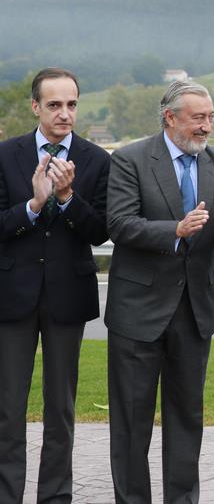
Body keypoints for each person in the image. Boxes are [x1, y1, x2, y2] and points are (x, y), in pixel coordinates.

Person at [104, 80, 214, 503]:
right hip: (138, 314)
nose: (207, 127)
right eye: (198, 118)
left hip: (195, 310)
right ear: (171, 118)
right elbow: (120, 224)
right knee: (132, 424)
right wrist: (175, 230)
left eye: (211, 117)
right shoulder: (131, 159)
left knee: (187, 419)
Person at [0, 67, 110, 503]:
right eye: (54, 105)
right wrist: (33, 204)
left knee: (60, 411)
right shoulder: (5, 155)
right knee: (8, 410)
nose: (65, 114)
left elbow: (100, 231)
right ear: (35, 107)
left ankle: (55, 497)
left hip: (68, 296)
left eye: (72, 105)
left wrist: (66, 200)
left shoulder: (97, 159)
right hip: (12, 297)